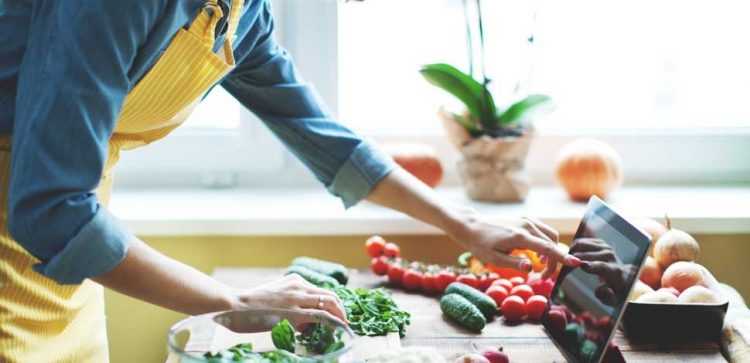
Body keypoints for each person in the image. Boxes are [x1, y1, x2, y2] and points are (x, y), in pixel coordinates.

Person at [0, 0, 580, 361]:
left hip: (71, 261)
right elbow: (51, 206)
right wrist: (238, 301)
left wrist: (468, 223)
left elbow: (322, 136)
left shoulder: (240, 11)